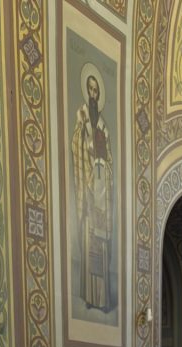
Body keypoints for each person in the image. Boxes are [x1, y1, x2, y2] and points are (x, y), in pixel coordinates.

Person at [71, 67, 114, 311]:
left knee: (102, 246)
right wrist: (86, 148)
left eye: (96, 91)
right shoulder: (82, 116)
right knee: (90, 243)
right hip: (89, 193)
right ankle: (90, 296)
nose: (94, 95)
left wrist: (103, 166)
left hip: (101, 195)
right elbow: (76, 145)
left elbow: (110, 160)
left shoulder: (104, 127)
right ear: (87, 92)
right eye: (91, 90)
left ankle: (102, 298)